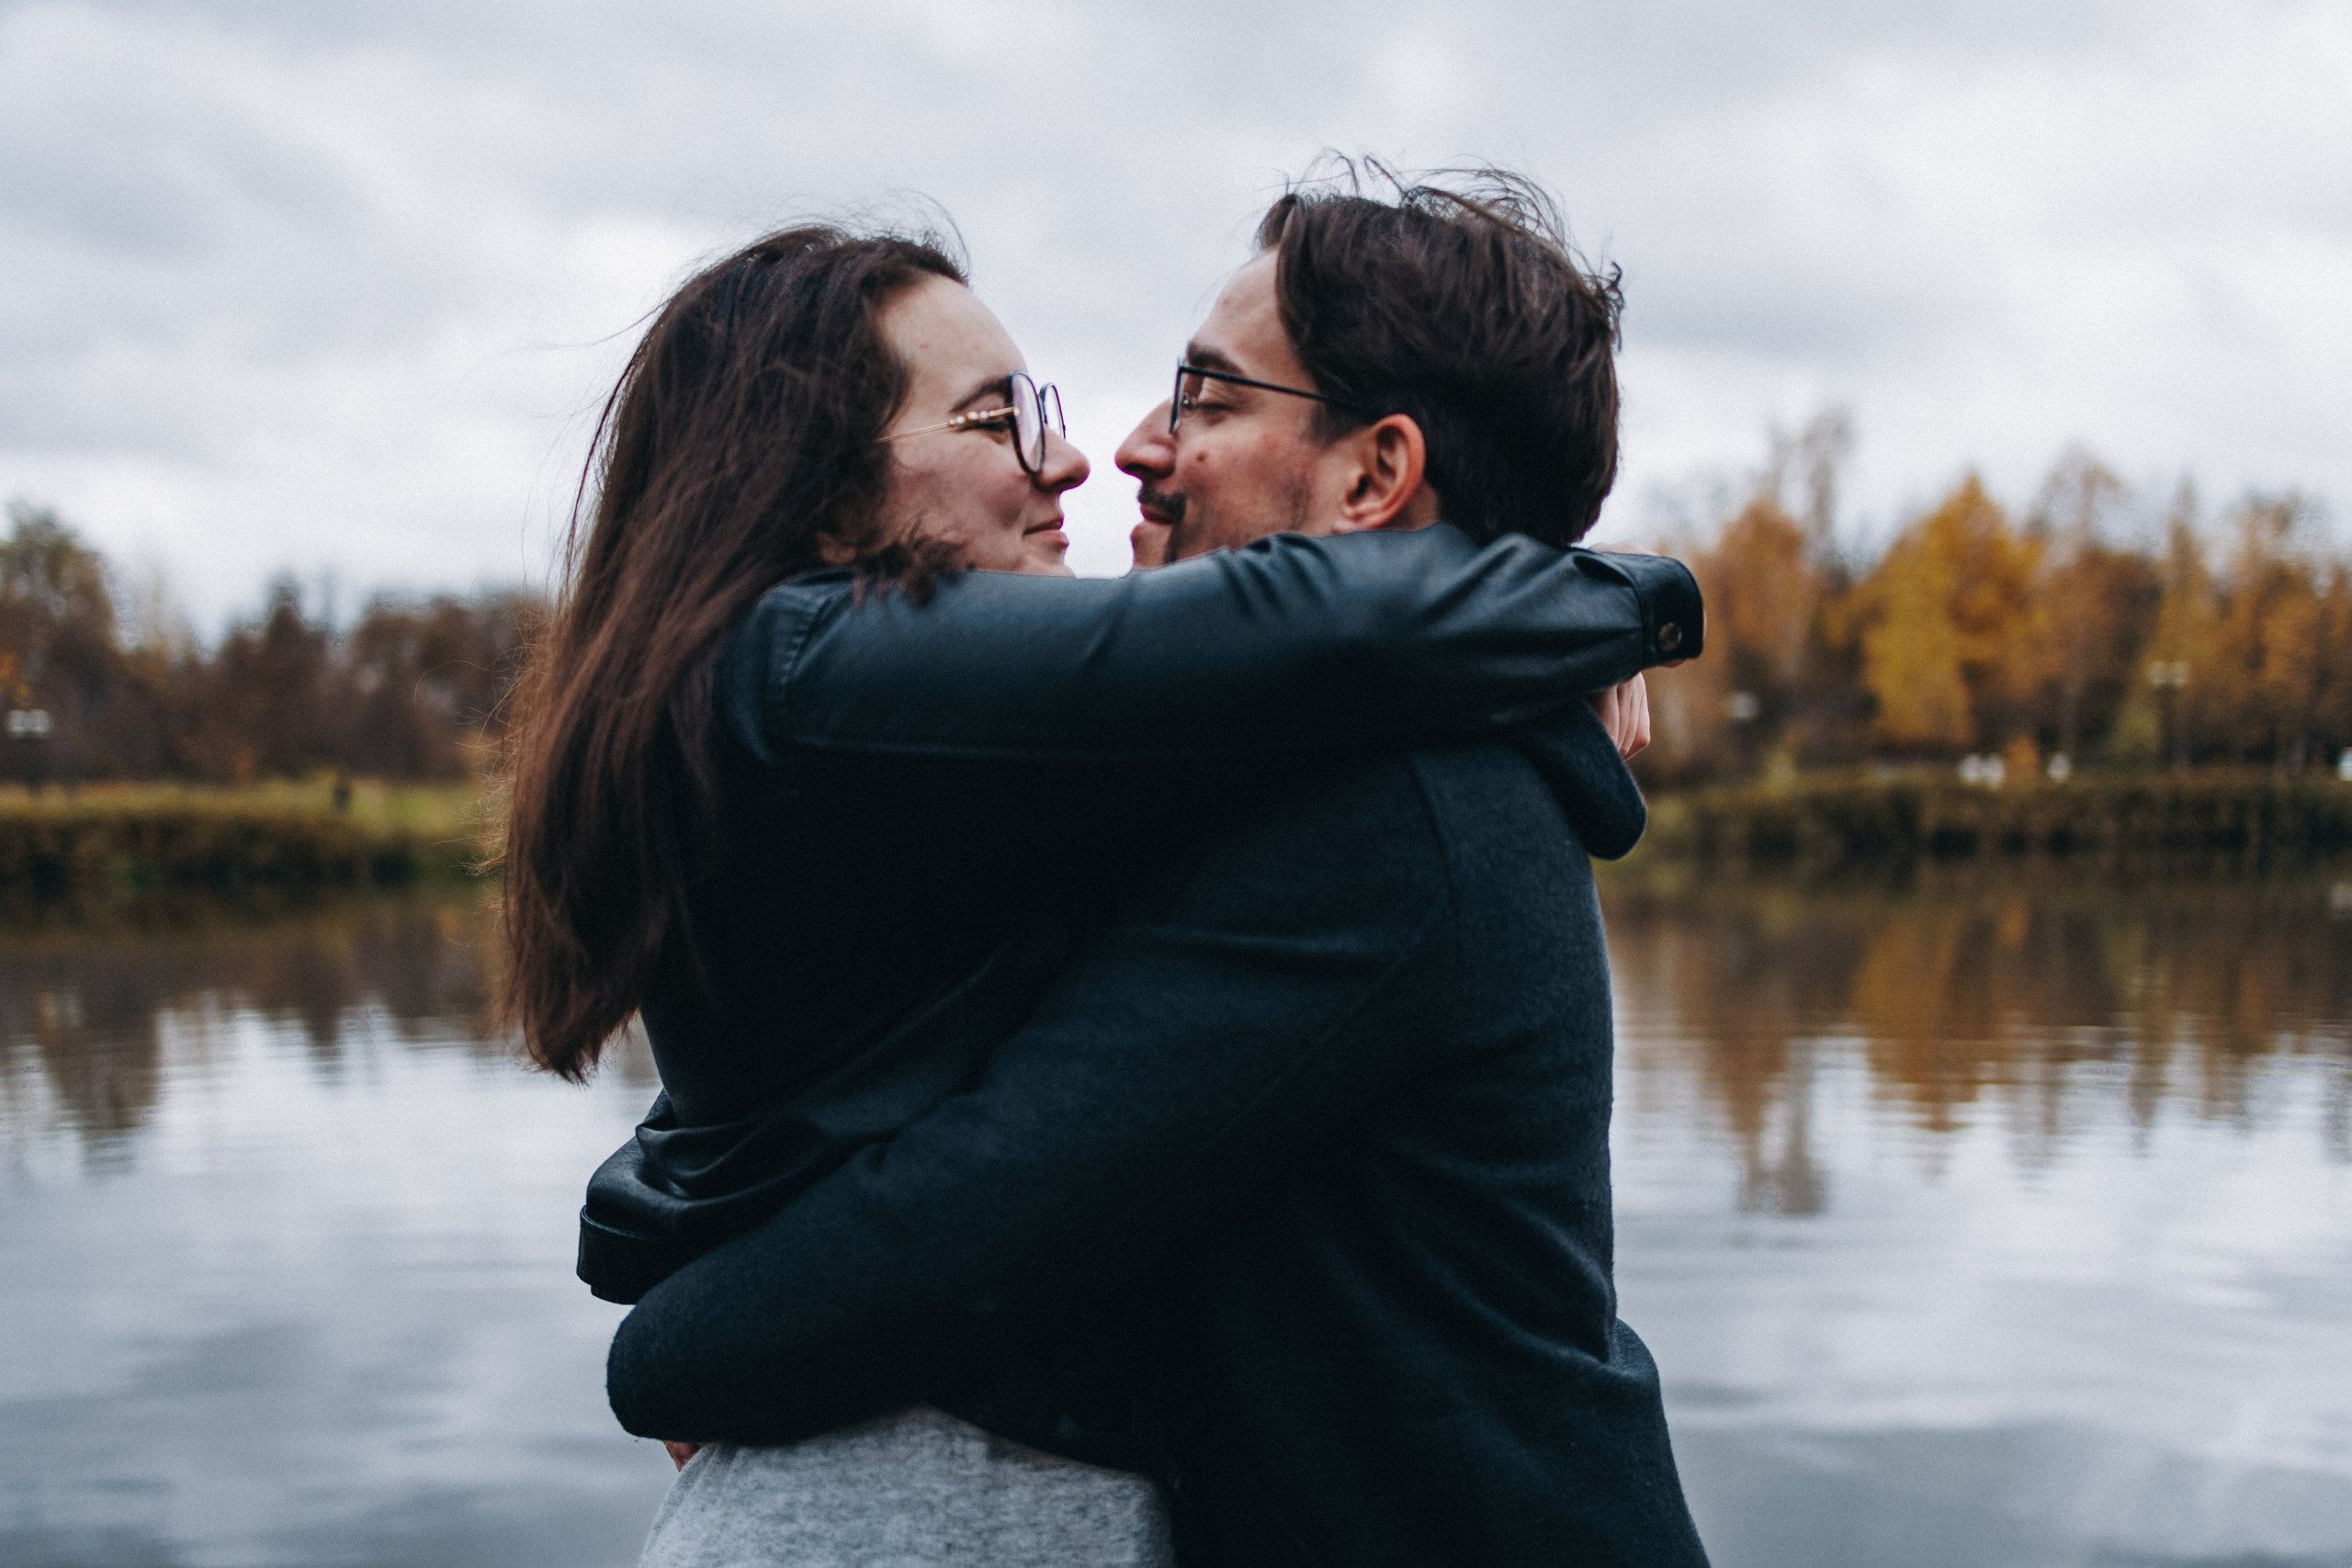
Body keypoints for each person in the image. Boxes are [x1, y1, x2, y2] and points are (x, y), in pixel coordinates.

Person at [499, 210, 1700, 1562]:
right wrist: (1591, 599)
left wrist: (665, 1340)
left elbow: (968, 1218)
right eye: (995, 420)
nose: (1109, 450)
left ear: (1378, 478)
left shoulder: (1386, 810)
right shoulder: (810, 679)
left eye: (1205, 395)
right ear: (823, 495)